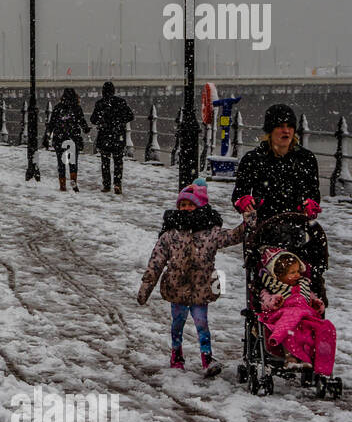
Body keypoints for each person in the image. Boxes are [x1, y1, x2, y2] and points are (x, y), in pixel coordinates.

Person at [137, 177, 250, 376]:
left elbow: (232, 236)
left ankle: (207, 358)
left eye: (191, 204)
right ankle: (176, 354)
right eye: (183, 204)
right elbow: (156, 261)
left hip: (201, 288)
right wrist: (146, 287)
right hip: (177, 287)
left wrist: (248, 221)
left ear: (200, 206)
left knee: (202, 324)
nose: (186, 208)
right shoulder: (170, 234)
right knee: (177, 324)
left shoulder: (210, 232)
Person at [232, 102, 328, 300]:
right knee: (267, 273)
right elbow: (239, 194)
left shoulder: (306, 159)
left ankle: (306, 302)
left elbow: (313, 192)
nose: (286, 130)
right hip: (264, 229)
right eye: (280, 126)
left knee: (306, 269)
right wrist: (244, 201)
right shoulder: (253, 159)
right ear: (270, 131)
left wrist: (310, 203)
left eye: (290, 126)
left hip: (297, 227)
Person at [256, 248, 337, 377]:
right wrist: (274, 302)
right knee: (289, 327)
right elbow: (265, 302)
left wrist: (316, 304)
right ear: (279, 275)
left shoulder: (303, 285)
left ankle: (317, 365)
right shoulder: (271, 288)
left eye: (298, 271)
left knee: (324, 327)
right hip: (283, 315)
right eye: (292, 272)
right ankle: (291, 358)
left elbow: (312, 298)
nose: (297, 275)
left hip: (305, 316)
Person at [90, 80, 134, 195]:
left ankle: (106, 185)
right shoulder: (121, 102)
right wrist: (119, 121)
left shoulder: (100, 103)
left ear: (103, 91)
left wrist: (102, 121)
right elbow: (130, 116)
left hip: (104, 136)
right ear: (114, 91)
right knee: (118, 162)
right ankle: (117, 184)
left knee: (105, 162)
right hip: (118, 136)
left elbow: (93, 120)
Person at [43, 87, 90, 191]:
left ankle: (62, 185)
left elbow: (51, 124)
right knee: (73, 162)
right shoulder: (77, 108)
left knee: (61, 163)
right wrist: (86, 129)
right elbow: (83, 123)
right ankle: (73, 184)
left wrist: (47, 137)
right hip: (73, 138)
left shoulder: (57, 108)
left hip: (59, 139)